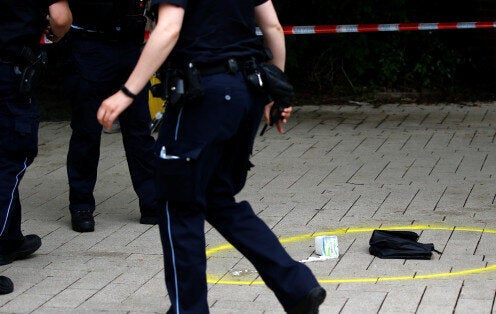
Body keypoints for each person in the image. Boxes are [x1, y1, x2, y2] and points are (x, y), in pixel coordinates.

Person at [97, 0, 326, 313]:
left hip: (203, 95)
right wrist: (277, 91)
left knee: (177, 204)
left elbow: (169, 28)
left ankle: (188, 309)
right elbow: (272, 27)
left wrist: (127, 93)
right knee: (216, 196)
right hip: (246, 91)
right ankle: (297, 286)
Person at [63, 0, 162, 232]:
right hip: (89, 41)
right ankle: (81, 205)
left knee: (138, 129)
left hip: (128, 42)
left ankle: (151, 203)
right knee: (86, 130)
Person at [0, 0, 72, 294]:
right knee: (10, 162)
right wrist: (56, 34)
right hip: (9, 71)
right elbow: (60, 17)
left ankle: (10, 238)